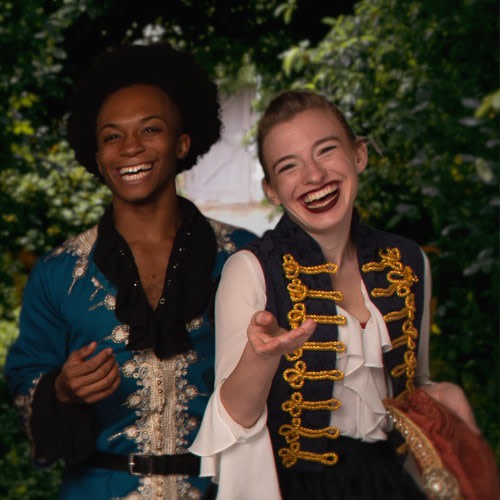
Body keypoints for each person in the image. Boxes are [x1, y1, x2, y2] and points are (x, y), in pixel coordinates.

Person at [189, 90, 481, 499]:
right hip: (293, 487)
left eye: (326, 151)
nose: (313, 176)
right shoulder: (251, 269)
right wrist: (261, 356)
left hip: (387, 484)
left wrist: (446, 396)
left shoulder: (409, 261)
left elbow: (412, 384)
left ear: (358, 155)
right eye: (289, 166)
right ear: (272, 190)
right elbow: (234, 420)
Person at [4, 42, 255, 500]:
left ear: (183, 142)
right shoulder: (60, 274)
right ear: (97, 157)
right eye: (112, 136)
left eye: (150, 129)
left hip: (223, 489)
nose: (130, 147)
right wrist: (59, 389)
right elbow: (23, 382)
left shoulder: (245, 258)